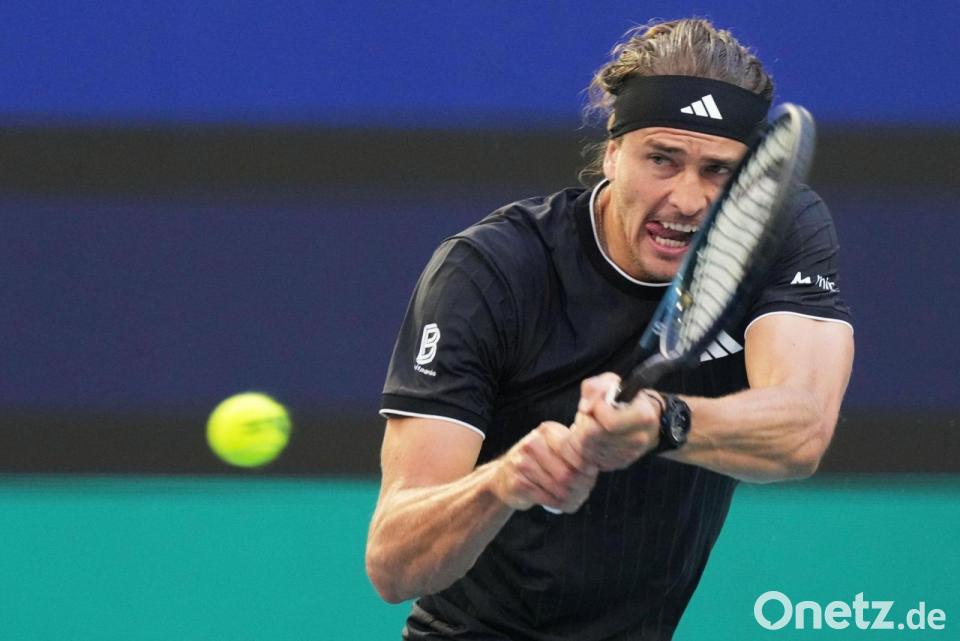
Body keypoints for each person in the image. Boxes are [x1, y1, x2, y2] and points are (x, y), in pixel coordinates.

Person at [366, 17, 854, 641]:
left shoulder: (779, 230)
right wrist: (504, 482)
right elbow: (393, 564)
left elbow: (803, 430)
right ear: (613, 153)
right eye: (662, 159)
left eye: (718, 171)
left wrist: (660, 422)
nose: (687, 199)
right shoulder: (492, 270)